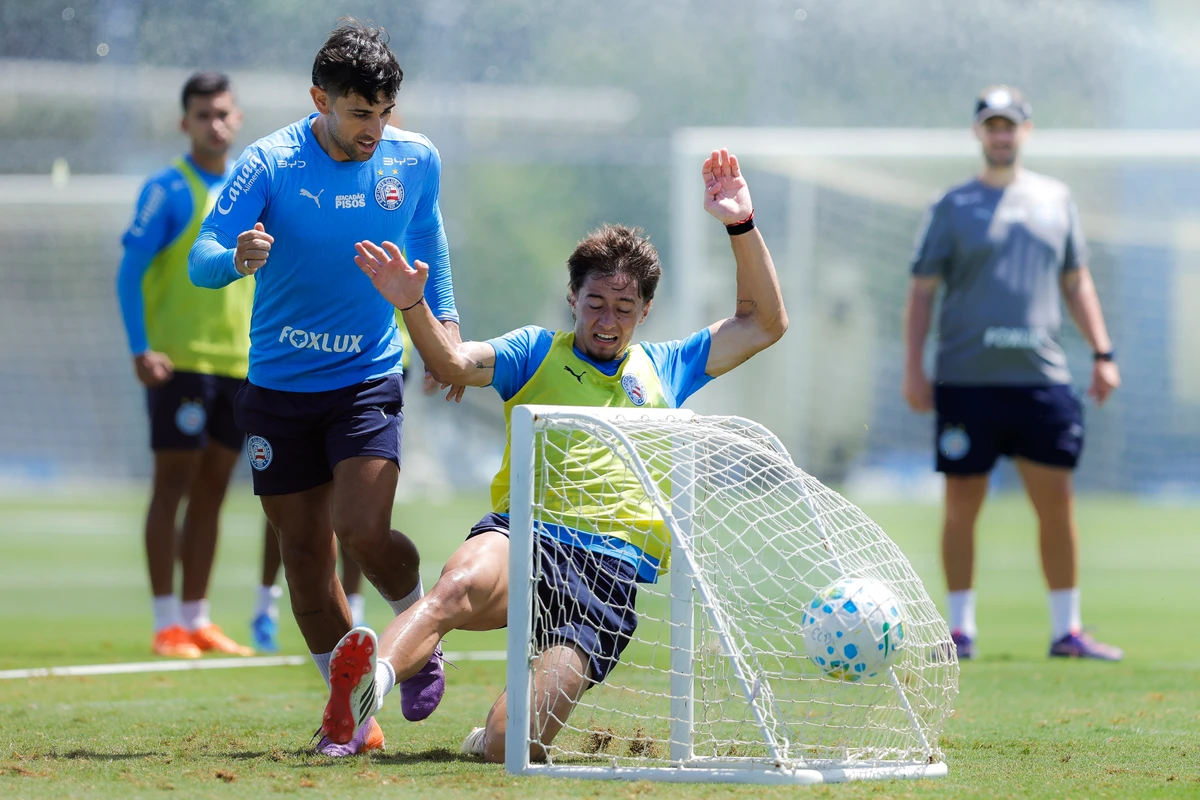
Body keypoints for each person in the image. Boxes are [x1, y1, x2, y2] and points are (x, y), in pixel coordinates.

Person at [318, 148, 787, 762]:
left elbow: (766, 323)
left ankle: (486, 737)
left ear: (646, 311)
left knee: (509, 750)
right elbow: (452, 364)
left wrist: (740, 224)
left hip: (608, 574)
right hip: (525, 535)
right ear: (572, 298)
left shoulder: (670, 365)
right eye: (595, 303)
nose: (607, 322)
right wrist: (412, 304)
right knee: (455, 585)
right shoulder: (535, 351)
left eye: (624, 309)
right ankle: (362, 698)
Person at [188, 19, 460, 755]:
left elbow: (427, 236)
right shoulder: (268, 163)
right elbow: (202, 256)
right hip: (278, 388)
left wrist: (449, 334)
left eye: (384, 112)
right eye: (357, 113)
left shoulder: (416, 158)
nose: (374, 128)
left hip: (366, 377)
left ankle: (419, 631)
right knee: (304, 557)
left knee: (362, 531)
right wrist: (237, 257)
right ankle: (354, 714)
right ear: (321, 100)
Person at [902, 85, 1122, 661]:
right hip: (966, 381)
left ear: (1026, 130)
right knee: (961, 506)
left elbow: (1076, 281)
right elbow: (922, 291)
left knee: (1056, 504)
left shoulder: (1057, 199)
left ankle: (1066, 631)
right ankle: (959, 631)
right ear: (979, 132)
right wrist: (914, 368)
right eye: (991, 124)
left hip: (1040, 379)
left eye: (1010, 124)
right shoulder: (951, 206)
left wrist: (1103, 351)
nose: (1001, 134)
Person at [116, 71, 259, 660]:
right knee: (171, 485)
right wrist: (140, 347)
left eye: (223, 113)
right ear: (185, 123)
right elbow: (129, 272)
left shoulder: (254, 189)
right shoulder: (167, 190)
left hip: (239, 364)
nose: (215, 124)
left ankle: (197, 619)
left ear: (238, 118)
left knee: (213, 493)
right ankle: (164, 622)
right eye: (203, 115)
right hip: (179, 363)